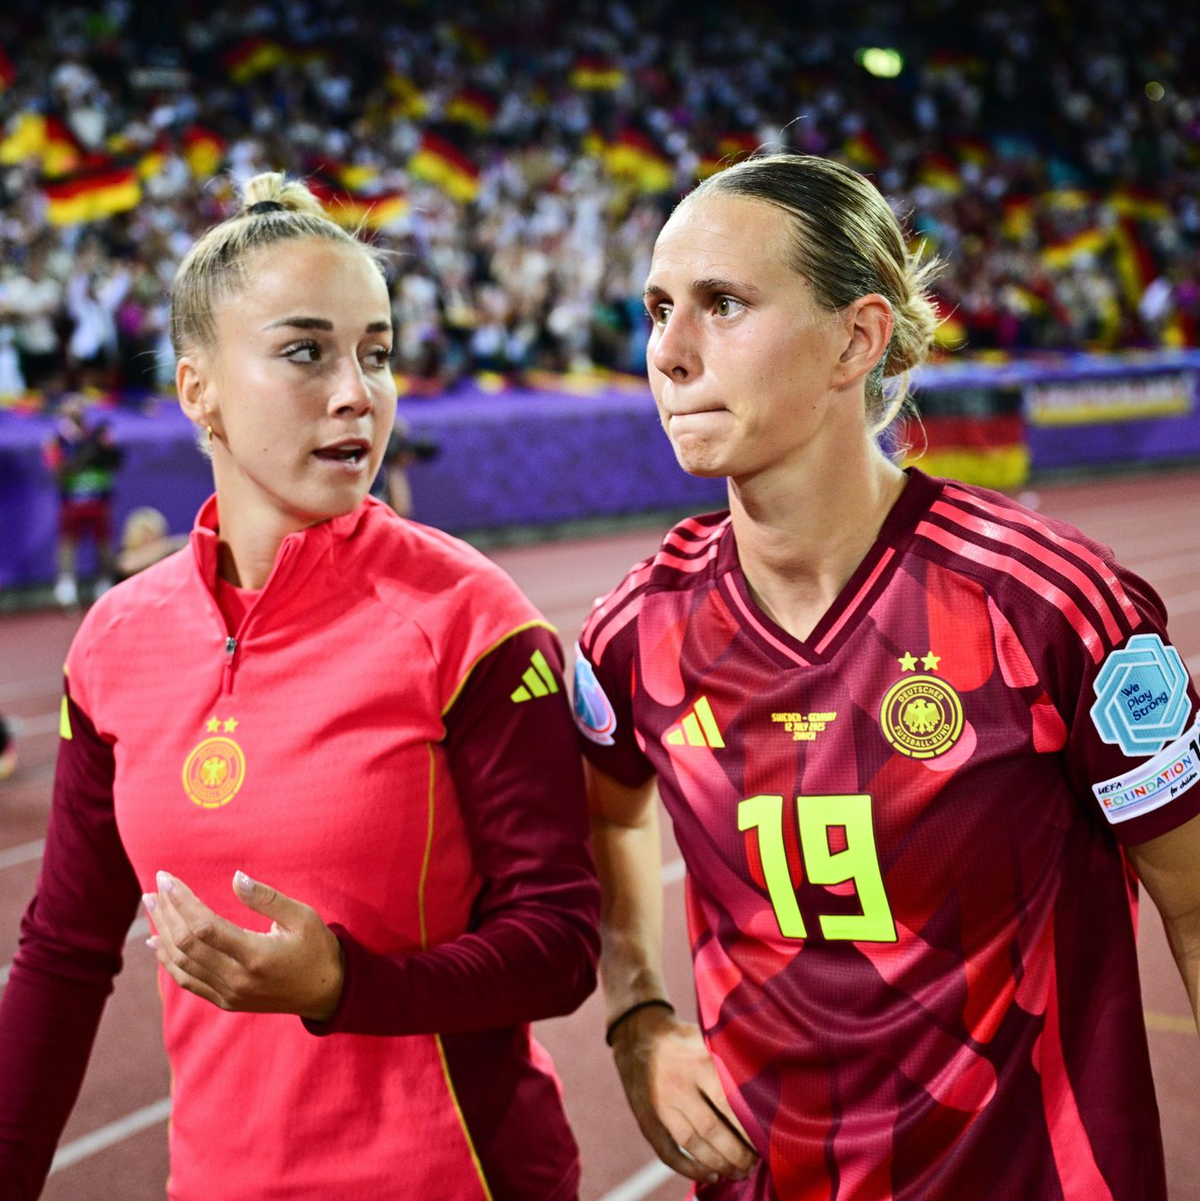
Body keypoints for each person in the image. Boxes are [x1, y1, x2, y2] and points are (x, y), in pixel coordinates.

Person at [573, 154, 1200, 1199]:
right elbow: (607, 816)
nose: (668, 354)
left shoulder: (1048, 606)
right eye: (657, 309)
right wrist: (637, 1012)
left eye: (722, 304)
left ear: (856, 339)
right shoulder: (638, 627)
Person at [0, 173, 600, 1200]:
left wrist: (344, 984)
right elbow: (63, 953)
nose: (356, 390)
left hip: (456, 1178)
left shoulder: (471, 618)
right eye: (304, 350)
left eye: (376, 352)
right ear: (199, 390)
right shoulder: (114, 641)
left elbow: (558, 942)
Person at [42, 396, 124, 606]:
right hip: (72, 503)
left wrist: (103, 450)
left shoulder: (99, 435)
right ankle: (66, 584)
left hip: (99, 500)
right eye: (69, 408)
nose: (75, 411)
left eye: (78, 407)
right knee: (68, 543)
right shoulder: (55, 440)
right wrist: (79, 458)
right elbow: (56, 471)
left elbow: (115, 463)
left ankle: (105, 582)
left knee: (104, 543)